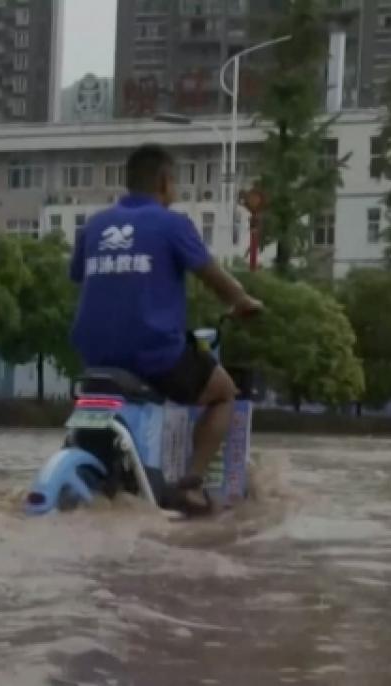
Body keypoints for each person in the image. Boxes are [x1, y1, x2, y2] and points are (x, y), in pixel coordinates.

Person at [69, 144, 262, 515]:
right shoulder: (172, 224)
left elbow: (78, 275)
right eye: (175, 182)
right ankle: (190, 485)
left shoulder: (94, 225)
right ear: (163, 182)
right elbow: (215, 279)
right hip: (152, 354)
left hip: (93, 355)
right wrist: (244, 302)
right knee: (223, 392)